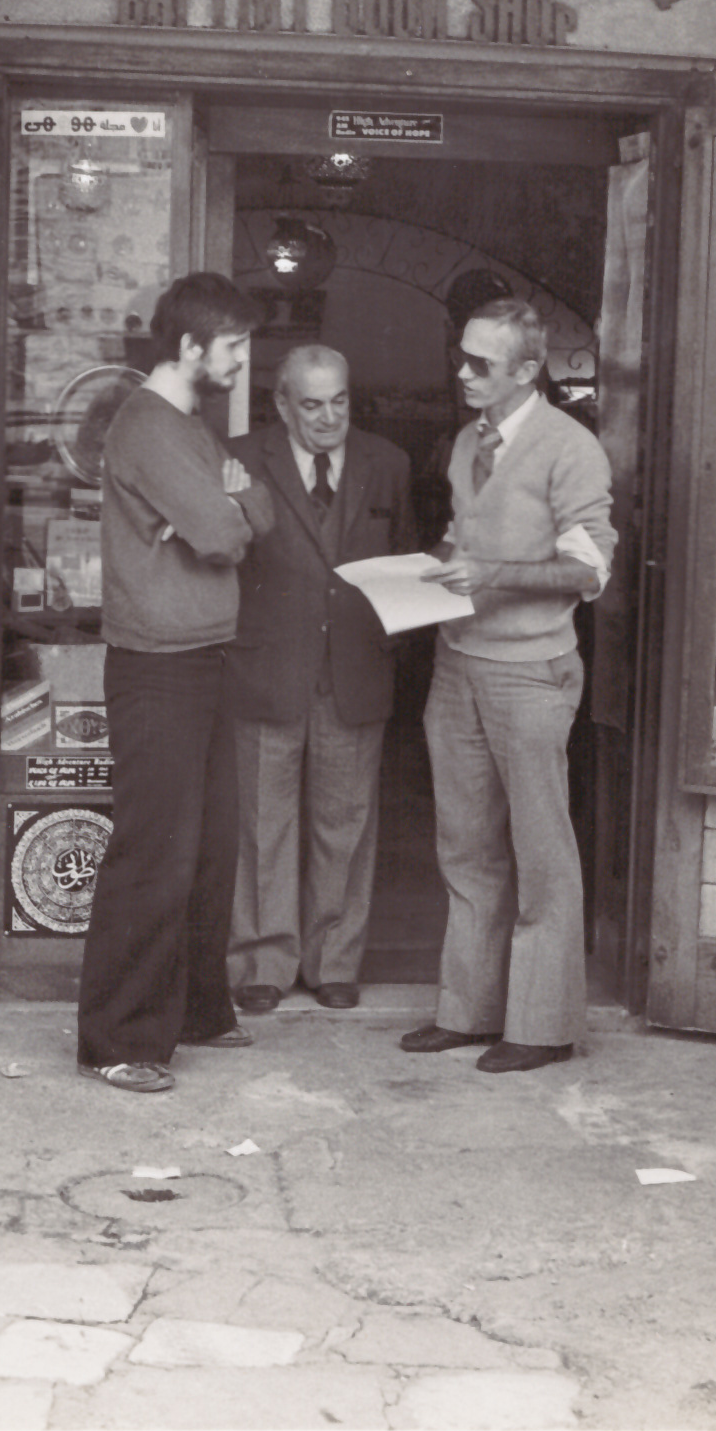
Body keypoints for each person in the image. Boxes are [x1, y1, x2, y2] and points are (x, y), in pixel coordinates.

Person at [402, 297, 616, 1075]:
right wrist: (426, 570)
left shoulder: (570, 447)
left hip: (530, 671)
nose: (461, 372)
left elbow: (590, 568)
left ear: (528, 370)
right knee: (464, 846)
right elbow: (465, 537)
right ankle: (468, 1010)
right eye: (460, 356)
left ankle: (543, 1024)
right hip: (458, 661)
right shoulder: (469, 440)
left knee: (540, 849)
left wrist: (490, 572)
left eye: (480, 363)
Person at [75, 272, 275, 1093]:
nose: (241, 359)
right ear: (190, 346)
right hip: (158, 664)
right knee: (155, 853)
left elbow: (257, 510)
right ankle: (118, 1039)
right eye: (232, 345)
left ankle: (196, 1010)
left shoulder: (189, 425)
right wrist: (220, 509)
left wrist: (224, 506)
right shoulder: (150, 426)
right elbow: (226, 535)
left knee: (209, 846)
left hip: (204, 655)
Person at [224, 345, 416, 1014]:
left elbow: (405, 559)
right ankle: (263, 961)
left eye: (340, 401)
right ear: (282, 404)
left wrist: (388, 644)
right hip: (266, 667)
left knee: (346, 824)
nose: (330, 417)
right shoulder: (240, 460)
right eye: (312, 404)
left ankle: (334, 959)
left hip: (355, 670)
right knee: (262, 824)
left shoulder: (388, 464)